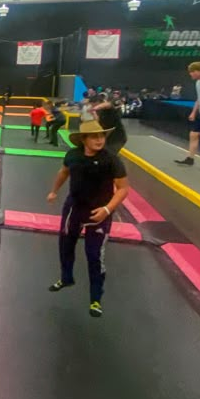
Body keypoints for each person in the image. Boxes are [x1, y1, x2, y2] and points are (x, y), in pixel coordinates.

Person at [46, 119, 129, 317]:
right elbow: (64, 172)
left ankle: (95, 300)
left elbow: (123, 189)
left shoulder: (111, 159)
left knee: (94, 255)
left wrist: (108, 210)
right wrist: (54, 191)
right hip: (74, 208)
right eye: (94, 136)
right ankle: (66, 278)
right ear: (84, 139)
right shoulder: (73, 155)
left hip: (99, 213)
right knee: (66, 244)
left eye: (101, 136)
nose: (99, 140)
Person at [175, 61, 200, 167]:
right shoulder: (198, 83)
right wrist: (193, 112)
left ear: (199, 71)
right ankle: (190, 158)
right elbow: (199, 99)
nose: (190, 74)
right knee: (193, 134)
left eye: (192, 71)